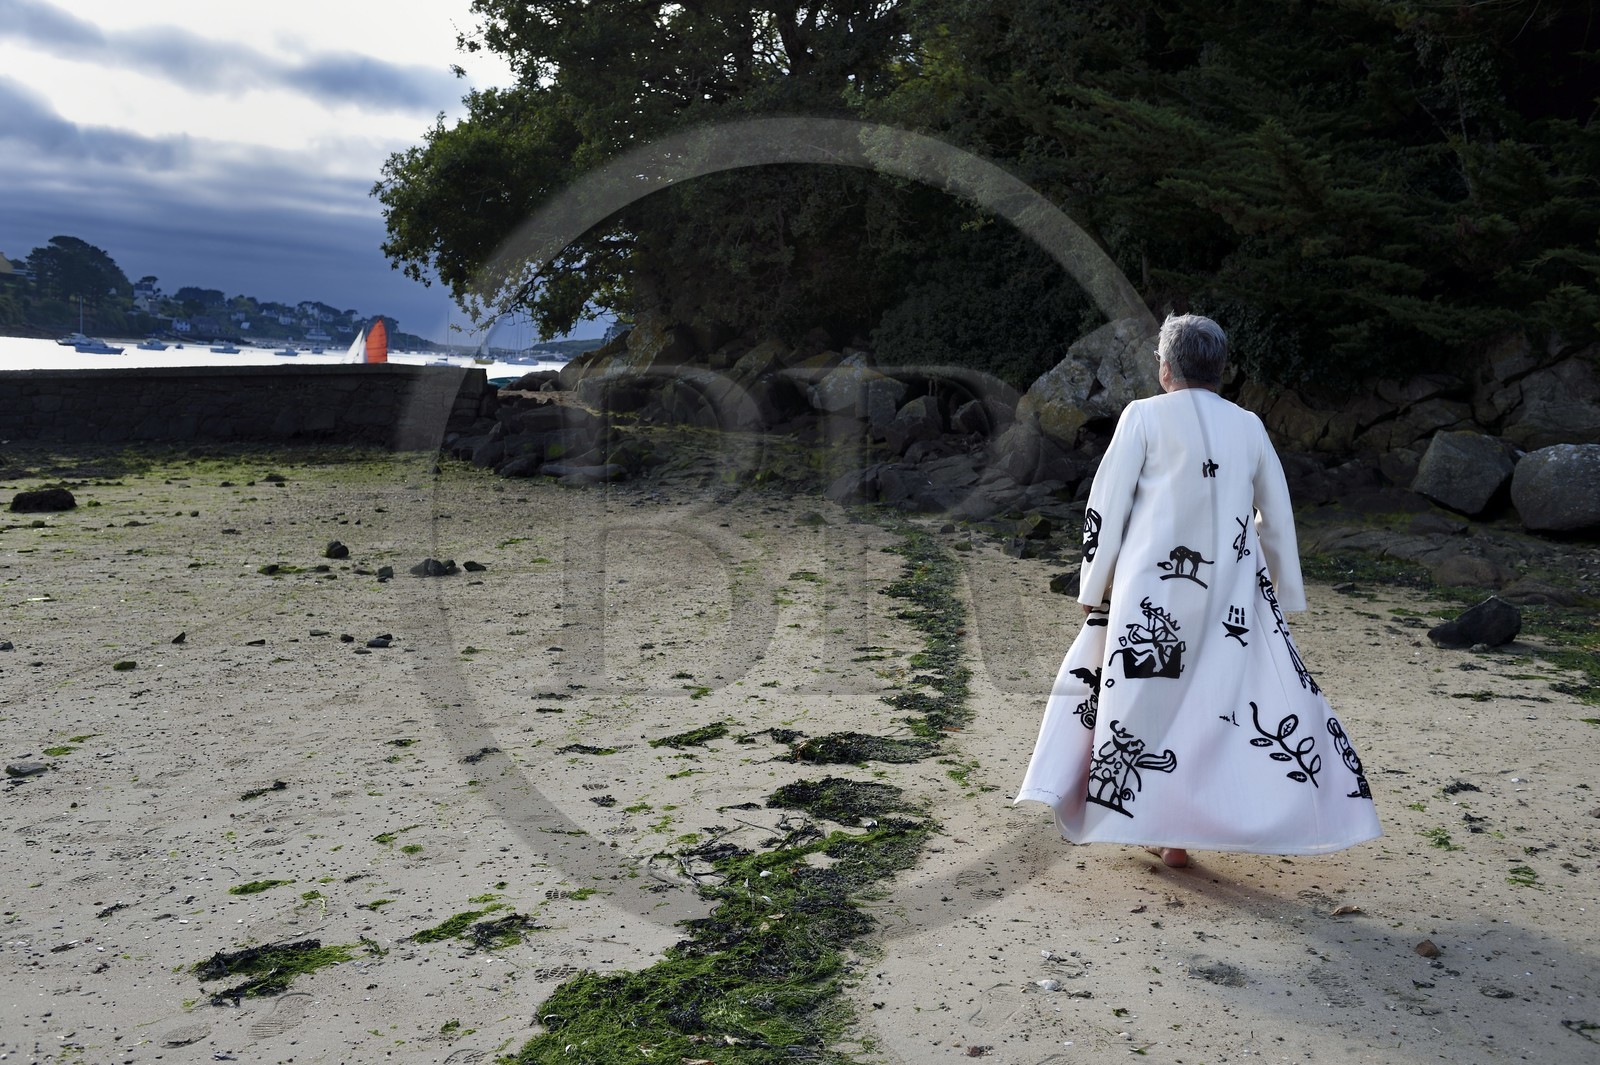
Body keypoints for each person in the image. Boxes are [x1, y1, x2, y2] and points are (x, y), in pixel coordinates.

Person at [1015, 314, 1381, 867]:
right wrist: (1285, 593)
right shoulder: (1248, 425)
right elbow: (1277, 516)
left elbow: (1106, 505)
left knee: (1144, 707)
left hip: (1149, 597)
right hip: (1229, 595)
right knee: (1216, 704)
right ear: (1222, 371)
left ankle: (1161, 827)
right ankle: (1187, 831)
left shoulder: (1142, 417)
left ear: (1165, 368)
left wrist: (1093, 581)